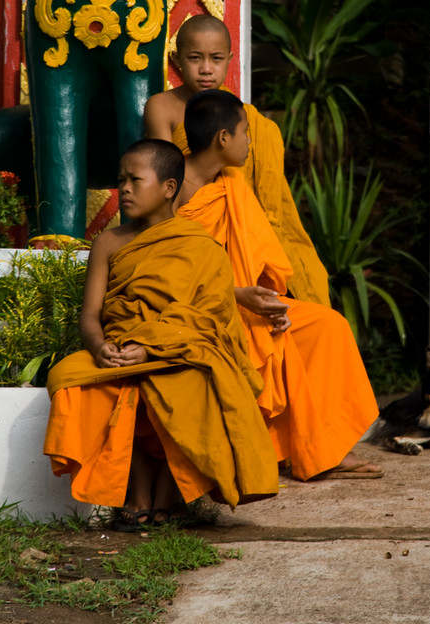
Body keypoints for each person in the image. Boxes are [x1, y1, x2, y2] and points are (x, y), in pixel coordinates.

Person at [43, 138, 279, 528]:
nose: (125, 189)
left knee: (187, 386)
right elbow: (90, 314)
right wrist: (99, 345)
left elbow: (211, 326)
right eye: (121, 180)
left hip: (180, 353)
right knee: (68, 379)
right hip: (118, 350)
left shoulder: (202, 246)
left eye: (135, 179)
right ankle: (136, 490)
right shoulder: (109, 242)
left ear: (169, 188)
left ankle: (171, 492)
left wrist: (152, 351)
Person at [173, 89, 384, 482]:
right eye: (245, 134)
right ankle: (282, 449)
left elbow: (256, 256)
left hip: (245, 300)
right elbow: (164, 273)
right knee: (271, 341)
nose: (250, 143)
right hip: (198, 308)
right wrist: (237, 297)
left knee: (327, 325)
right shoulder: (170, 187)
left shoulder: (231, 184)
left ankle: (324, 447)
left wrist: (267, 299)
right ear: (223, 139)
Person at [144, 14, 330, 306]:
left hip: (240, 227)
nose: (206, 69)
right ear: (176, 59)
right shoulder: (162, 107)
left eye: (216, 59)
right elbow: (165, 180)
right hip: (190, 226)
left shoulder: (242, 118)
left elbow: (261, 195)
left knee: (307, 281)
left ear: (230, 59)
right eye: (195, 58)